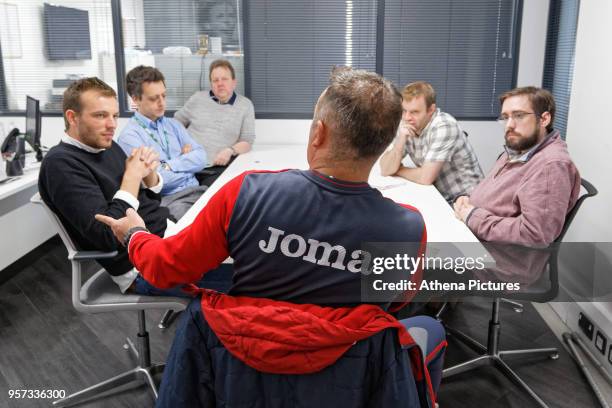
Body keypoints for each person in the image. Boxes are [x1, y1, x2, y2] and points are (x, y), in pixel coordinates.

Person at [96, 68, 446, 406]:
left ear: (318, 134)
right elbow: (396, 303)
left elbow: (164, 268)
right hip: (348, 377)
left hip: (239, 372)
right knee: (429, 327)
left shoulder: (247, 193)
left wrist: (134, 235)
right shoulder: (407, 227)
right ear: (382, 144)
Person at [38, 77, 227, 297]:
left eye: (115, 116)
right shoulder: (60, 164)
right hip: (143, 266)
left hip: (168, 238)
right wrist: (131, 177)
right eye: (100, 115)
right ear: (72, 117)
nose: (112, 125)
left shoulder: (106, 146)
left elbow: (149, 204)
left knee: (243, 242)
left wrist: (148, 178)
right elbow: (106, 236)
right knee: (253, 277)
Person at [454, 86, 581, 246]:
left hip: (496, 262)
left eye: (519, 116)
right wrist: (468, 201)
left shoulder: (550, 166)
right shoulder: (519, 149)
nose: (509, 125)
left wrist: (473, 216)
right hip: (471, 236)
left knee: (421, 259)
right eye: (505, 117)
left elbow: (534, 234)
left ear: (544, 119)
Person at [118, 66, 208, 220]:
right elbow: (157, 184)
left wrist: (168, 165)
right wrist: (187, 164)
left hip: (199, 190)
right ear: (135, 99)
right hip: (170, 201)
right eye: (154, 98)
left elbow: (201, 158)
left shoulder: (173, 124)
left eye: (164, 96)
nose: (161, 103)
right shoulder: (130, 137)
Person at [380, 81, 483, 203]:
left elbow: (425, 177)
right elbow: (385, 169)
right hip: (438, 195)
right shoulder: (406, 125)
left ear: (431, 110)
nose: (407, 117)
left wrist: (398, 169)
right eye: (404, 111)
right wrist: (400, 141)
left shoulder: (444, 125)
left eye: (414, 112)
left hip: (468, 200)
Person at [174, 59, 255, 186]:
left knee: (210, 197)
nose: (220, 83)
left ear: (234, 82)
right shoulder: (198, 98)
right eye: (215, 80)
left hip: (215, 168)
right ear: (211, 84)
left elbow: (247, 141)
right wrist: (182, 143)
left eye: (224, 79)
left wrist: (230, 151)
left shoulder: (245, 105)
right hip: (186, 163)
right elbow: (176, 123)